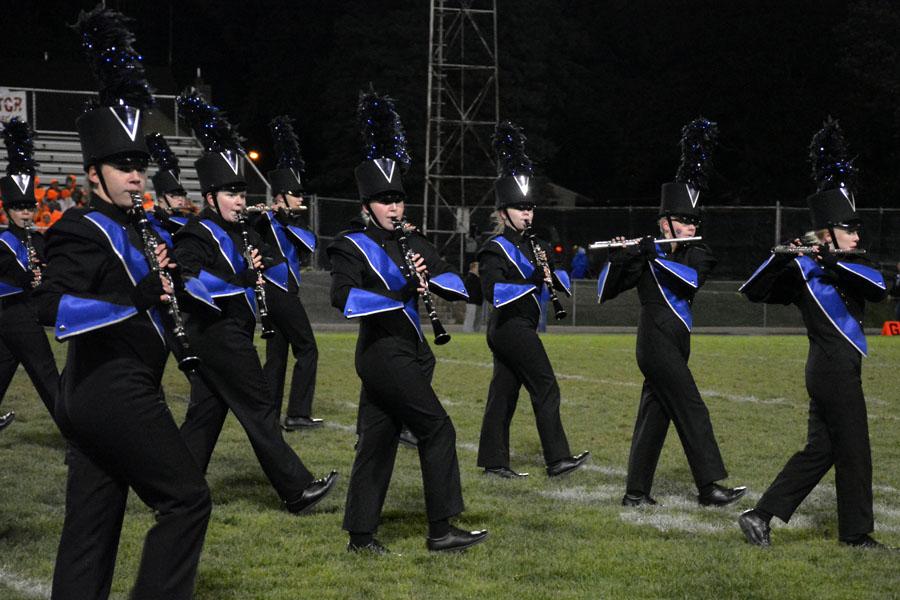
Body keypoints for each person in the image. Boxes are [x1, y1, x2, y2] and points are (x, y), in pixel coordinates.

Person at [33, 8, 212, 598]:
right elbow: (52, 309)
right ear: (93, 173)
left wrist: (179, 284)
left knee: (91, 526)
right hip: (107, 386)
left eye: (140, 165)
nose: (136, 176)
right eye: (122, 166)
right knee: (187, 500)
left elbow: (168, 295)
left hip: (110, 389)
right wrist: (134, 298)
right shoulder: (79, 229)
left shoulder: (148, 231)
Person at [329, 89, 486, 554]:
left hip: (411, 351)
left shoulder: (413, 240)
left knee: (376, 441)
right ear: (366, 206)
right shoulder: (351, 244)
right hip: (381, 352)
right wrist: (400, 290)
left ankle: (361, 538)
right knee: (438, 429)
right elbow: (342, 296)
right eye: (384, 200)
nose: (394, 208)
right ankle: (440, 531)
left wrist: (465, 284)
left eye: (398, 198)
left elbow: (449, 278)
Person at [174, 89, 338, 514]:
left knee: (206, 416)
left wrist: (251, 270)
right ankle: (296, 489)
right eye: (230, 194)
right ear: (210, 198)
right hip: (217, 334)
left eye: (241, 193)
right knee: (260, 409)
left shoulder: (239, 231)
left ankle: (175, 488)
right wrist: (243, 278)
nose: (239, 200)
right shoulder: (196, 233)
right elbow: (187, 279)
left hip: (228, 332)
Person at [738, 119, 890, 549]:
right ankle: (856, 536)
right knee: (855, 450)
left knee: (822, 450)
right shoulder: (803, 271)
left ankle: (759, 515)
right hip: (829, 370)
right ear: (826, 233)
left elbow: (880, 289)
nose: (858, 235)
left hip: (840, 368)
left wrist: (830, 259)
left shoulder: (849, 266)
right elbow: (752, 291)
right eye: (850, 229)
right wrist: (782, 255)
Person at [598, 118, 745, 507]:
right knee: (692, 407)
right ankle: (709, 486)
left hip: (679, 343)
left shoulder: (699, 253)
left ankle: (635, 493)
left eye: (694, 220)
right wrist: (617, 259)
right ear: (664, 222)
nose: (690, 226)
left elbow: (689, 281)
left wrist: (651, 255)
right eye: (683, 220)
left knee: (655, 416)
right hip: (654, 343)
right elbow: (604, 292)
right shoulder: (648, 253)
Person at [476, 120, 588, 480]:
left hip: (519, 326)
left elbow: (559, 280)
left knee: (504, 395)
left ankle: (494, 464)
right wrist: (532, 277)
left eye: (530, 208)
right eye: (520, 208)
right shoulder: (494, 248)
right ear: (503, 212)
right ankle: (557, 459)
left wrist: (555, 274)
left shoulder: (535, 245)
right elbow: (492, 292)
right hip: (508, 326)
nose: (527, 213)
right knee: (545, 385)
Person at [256, 115, 321, 430]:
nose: (301, 199)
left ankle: (268, 414)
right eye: (295, 195)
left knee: (278, 356)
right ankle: (297, 413)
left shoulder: (291, 223)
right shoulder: (263, 220)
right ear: (280, 196)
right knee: (308, 348)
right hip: (275, 290)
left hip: (283, 291)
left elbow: (309, 244)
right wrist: (264, 214)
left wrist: (285, 216)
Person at [0, 118, 59, 429]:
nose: (25, 212)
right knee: (46, 372)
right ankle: (75, 431)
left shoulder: (37, 238)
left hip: (22, 311)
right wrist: (36, 276)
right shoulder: (2, 242)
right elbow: (20, 277)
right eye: (19, 207)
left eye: (29, 206)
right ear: (7, 210)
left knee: (4, 365)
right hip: (14, 311)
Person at [146, 131, 192, 234]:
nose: (181, 199)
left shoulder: (190, 220)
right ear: (161, 199)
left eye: (182, 195)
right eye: (174, 195)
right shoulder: (150, 222)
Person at [462, 261, 483, 332]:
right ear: (473, 268)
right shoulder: (470, 277)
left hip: (478, 301)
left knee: (477, 318)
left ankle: (475, 331)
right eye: (477, 267)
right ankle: (467, 331)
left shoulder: (477, 278)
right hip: (472, 301)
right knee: (470, 317)